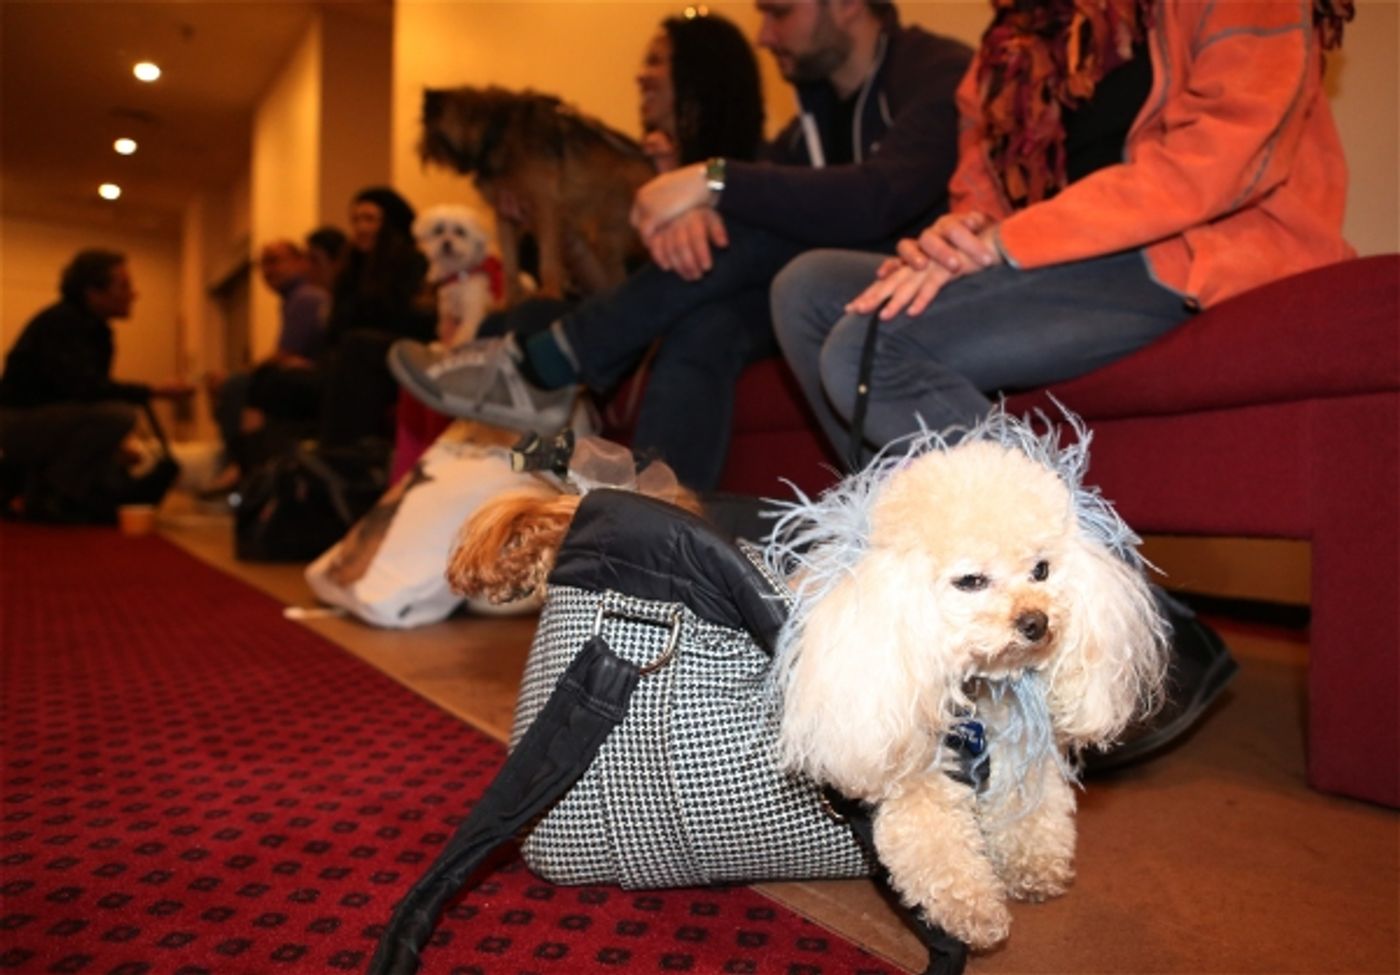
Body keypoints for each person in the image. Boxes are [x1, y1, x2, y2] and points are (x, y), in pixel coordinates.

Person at [391, 0, 972, 490]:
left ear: (847, 3)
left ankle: (548, 364)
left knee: (746, 226)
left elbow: (879, 200)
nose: (765, 36)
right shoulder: (804, 130)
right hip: (822, 292)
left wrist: (713, 181)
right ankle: (652, 542)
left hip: (928, 285)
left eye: (778, 12)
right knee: (707, 326)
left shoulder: (938, 71)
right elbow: (774, 199)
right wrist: (702, 208)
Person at [770, 0, 1357, 459]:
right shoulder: (1016, 34)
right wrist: (964, 235)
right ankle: (927, 556)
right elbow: (980, 182)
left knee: (866, 350)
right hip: (1057, 258)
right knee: (809, 287)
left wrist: (1009, 240)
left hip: (1195, 252)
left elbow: (1222, 158)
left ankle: (1082, 568)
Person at [0, 249, 186, 520]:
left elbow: (86, 394)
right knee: (117, 416)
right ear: (92, 291)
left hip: (35, 421)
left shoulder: (94, 329)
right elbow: (86, 389)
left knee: (113, 423)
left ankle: (51, 493)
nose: (133, 294)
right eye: (123, 285)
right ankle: (53, 495)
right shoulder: (63, 323)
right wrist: (152, 391)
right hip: (16, 423)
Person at [245, 187, 432, 453]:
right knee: (269, 380)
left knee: (357, 349)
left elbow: (413, 324)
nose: (360, 227)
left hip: (391, 364)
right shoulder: (350, 271)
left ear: (390, 222)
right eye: (355, 220)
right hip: (343, 362)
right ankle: (266, 469)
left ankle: (334, 455)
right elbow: (335, 332)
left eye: (369, 219)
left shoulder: (414, 264)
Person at [209, 239, 332, 486]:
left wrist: (244, 371)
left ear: (300, 262)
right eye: (263, 264)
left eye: (275, 261)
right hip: (304, 381)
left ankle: (243, 466)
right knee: (251, 382)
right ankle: (243, 464)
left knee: (240, 384)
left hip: (316, 382)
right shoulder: (294, 299)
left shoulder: (305, 297)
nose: (268, 270)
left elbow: (284, 354)